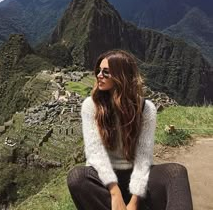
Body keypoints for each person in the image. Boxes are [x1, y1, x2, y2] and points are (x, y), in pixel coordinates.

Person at [67, 49, 193, 210]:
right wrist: (115, 193)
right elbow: (95, 154)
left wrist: (134, 201)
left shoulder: (145, 108)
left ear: (122, 76)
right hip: (104, 180)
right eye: (98, 71)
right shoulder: (91, 106)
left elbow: (143, 157)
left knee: (176, 172)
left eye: (106, 72)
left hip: (137, 177)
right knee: (77, 177)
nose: (99, 75)